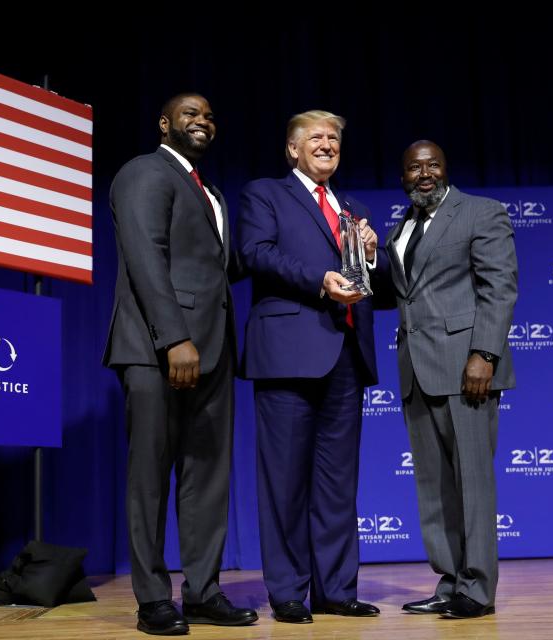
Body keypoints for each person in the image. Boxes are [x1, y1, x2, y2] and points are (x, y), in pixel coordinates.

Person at [103, 93, 256, 635]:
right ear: (164, 122)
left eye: (211, 116)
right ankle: (151, 600)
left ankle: (204, 591)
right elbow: (147, 255)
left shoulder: (208, 191)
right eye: (191, 114)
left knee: (207, 479)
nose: (203, 122)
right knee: (150, 477)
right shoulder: (144, 171)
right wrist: (174, 339)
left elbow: (218, 267)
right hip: (156, 349)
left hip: (214, 349)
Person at [236, 110, 381, 624]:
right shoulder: (265, 194)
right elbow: (255, 253)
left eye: (334, 138)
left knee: (339, 484)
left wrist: (371, 256)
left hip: (346, 355)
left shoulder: (354, 209)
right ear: (292, 149)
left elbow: (371, 289)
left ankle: (337, 590)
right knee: (284, 482)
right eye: (315, 138)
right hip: (287, 355)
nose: (326, 145)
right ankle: (289, 592)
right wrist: (319, 280)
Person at [376, 140, 518, 619]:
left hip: (466, 369)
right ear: (403, 177)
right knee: (434, 486)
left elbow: (499, 287)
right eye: (414, 167)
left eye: (432, 164)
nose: (424, 173)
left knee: (472, 484)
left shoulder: (480, 212)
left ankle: (477, 589)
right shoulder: (400, 226)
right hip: (417, 369)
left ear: (445, 169)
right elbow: (399, 292)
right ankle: (449, 579)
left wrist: (484, 354)